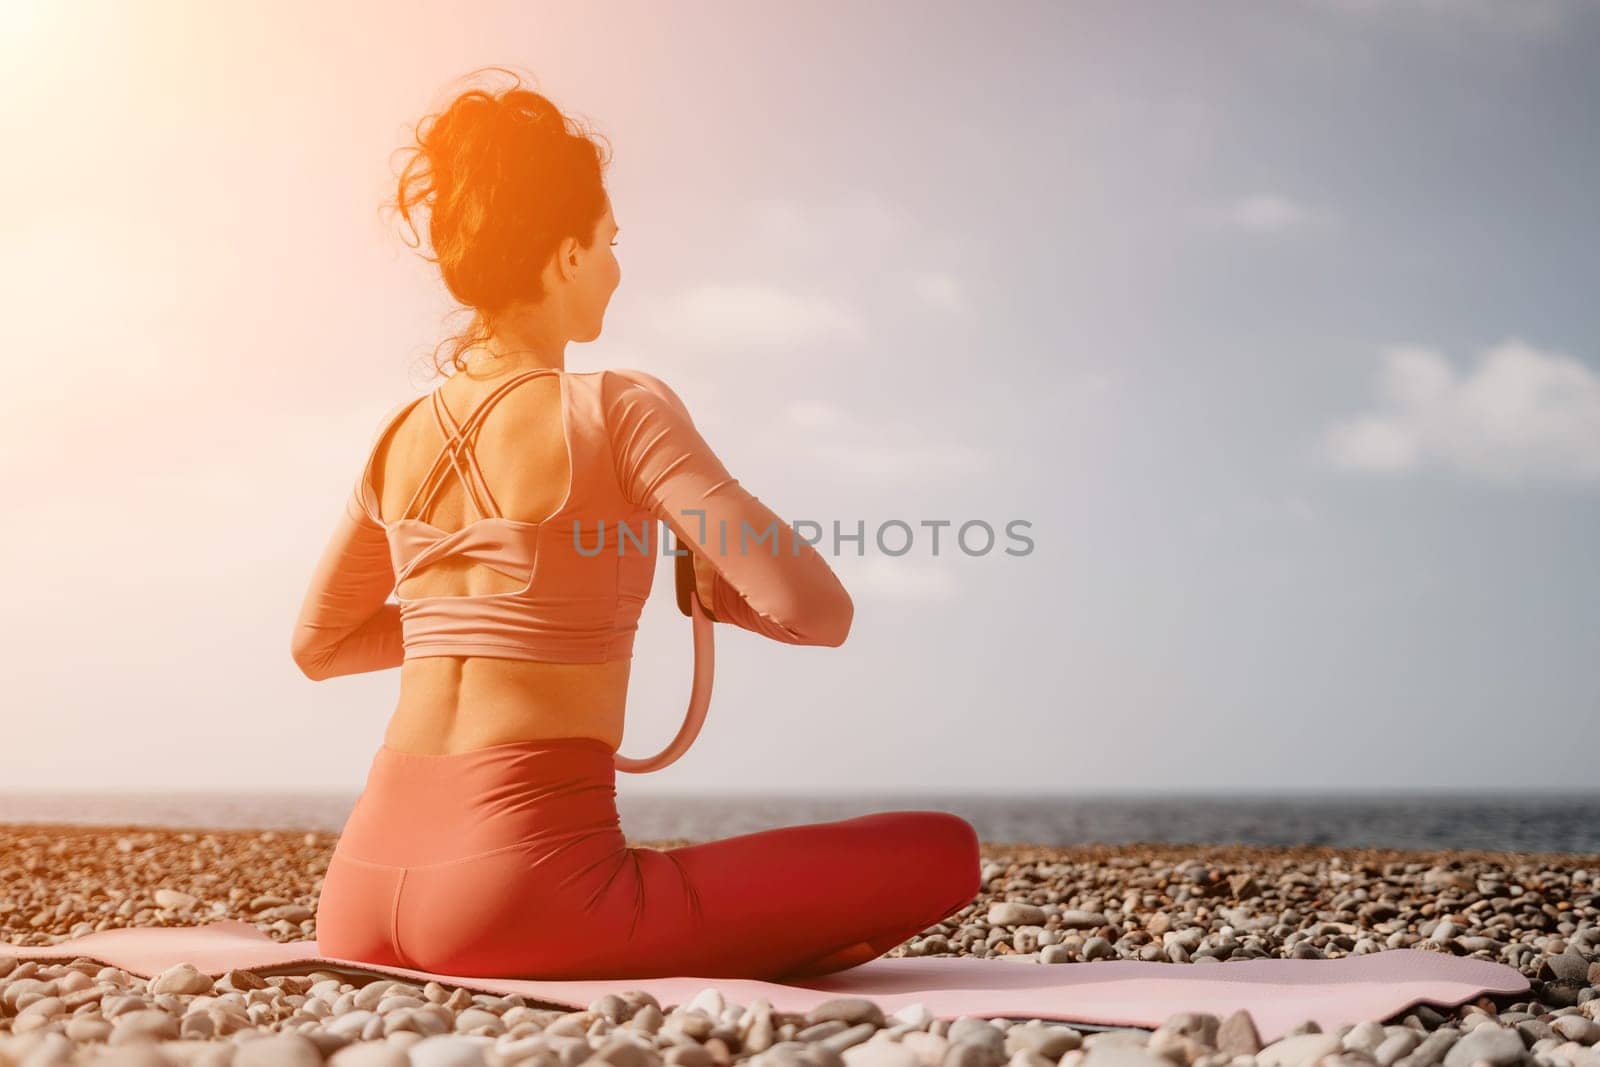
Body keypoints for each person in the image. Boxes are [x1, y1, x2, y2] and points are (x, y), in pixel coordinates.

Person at [291, 68, 981, 981]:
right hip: (522, 901)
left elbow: (321, 646)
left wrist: (451, 624)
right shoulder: (619, 409)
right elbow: (820, 611)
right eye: (610, 240)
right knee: (944, 849)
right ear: (567, 254)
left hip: (359, 898)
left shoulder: (397, 436)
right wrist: (721, 596)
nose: (618, 263)